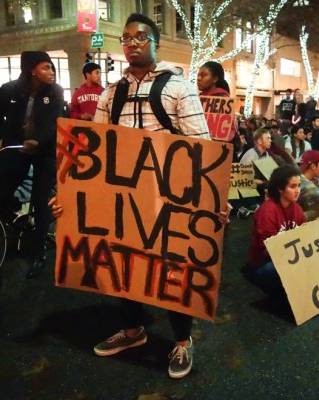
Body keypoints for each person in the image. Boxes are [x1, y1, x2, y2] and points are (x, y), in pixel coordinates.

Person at [93, 14, 230, 379]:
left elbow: (202, 145)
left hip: (170, 199)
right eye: (126, 38)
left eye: (141, 37)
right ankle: (133, 330)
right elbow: (93, 151)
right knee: (125, 262)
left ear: (155, 43)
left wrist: (215, 197)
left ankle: (182, 340)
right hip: (124, 200)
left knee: (174, 268)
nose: (132, 43)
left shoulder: (179, 88)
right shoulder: (110, 94)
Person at [0, 51, 64, 278]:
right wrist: (0, 136)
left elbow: (54, 122)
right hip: (17, 149)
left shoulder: (55, 92)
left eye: (52, 67)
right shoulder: (10, 90)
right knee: (1, 192)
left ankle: (39, 249)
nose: (51, 72)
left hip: (43, 151)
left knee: (41, 200)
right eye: (46, 67)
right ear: (32, 70)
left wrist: (38, 140)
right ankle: (7, 230)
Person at [243, 165, 305, 295]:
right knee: (294, 270)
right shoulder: (267, 211)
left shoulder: (297, 209)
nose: (297, 190)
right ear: (280, 189)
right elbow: (267, 251)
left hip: (287, 256)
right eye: (292, 186)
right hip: (262, 264)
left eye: (298, 186)